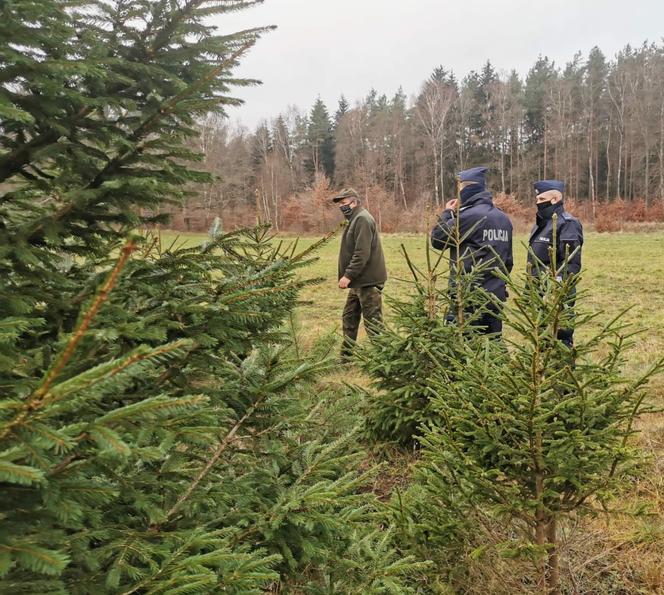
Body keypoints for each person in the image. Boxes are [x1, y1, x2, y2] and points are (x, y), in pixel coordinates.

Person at [430, 166, 513, 336]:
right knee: (492, 345)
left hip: (468, 298)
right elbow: (508, 260)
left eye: (460, 189)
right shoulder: (503, 218)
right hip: (495, 296)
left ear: (467, 189)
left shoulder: (467, 217)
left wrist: (447, 213)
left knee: (462, 349)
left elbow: (437, 239)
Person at [333, 188, 388, 361]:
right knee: (349, 317)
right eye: (340, 204)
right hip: (358, 282)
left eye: (344, 203)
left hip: (368, 281)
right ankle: (346, 358)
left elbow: (361, 253)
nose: (342, 207)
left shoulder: (362, 219)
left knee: (373, 323)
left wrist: (347, 276)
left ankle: (385, 361)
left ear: (354, 202)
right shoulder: (354, 219)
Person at [527, 179, 583, 348]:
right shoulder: (540, 226)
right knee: (541, 338)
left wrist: (555, 291)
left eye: (542, 200)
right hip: (538, 292)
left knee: (560, 336)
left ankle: (563, 370)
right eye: (537, 200)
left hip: (556, 294)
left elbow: (570, 262)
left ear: (555, 199)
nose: (538, 203)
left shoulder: (568, 224)